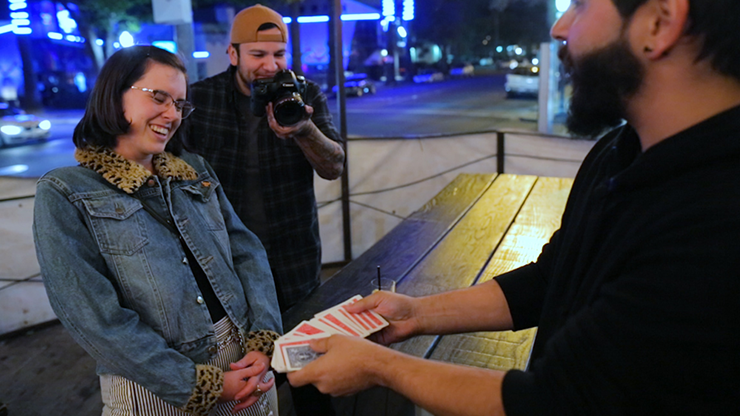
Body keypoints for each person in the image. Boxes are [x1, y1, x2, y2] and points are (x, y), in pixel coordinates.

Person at [287, 0, 740, 414]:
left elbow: (552, 402)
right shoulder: (617, 151)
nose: (561, 28)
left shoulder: (715, 220)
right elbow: (551, 279)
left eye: (580, 7)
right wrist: (416, 313)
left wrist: (381, 368)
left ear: (659, 23)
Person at [33, 45, 283, 416]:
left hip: (244, 363)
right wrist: (195, 384)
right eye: (160, 98)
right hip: (156, 385)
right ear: (115, 94)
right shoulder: (65, 192)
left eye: (180, 104)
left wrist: (263, 343)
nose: (172, 114)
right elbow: (92, 316)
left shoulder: (193, 169)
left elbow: (247, 253)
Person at [186, 4, 345, 313]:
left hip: (294, 255)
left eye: (279, 54)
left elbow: (334, 167)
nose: (271, 67)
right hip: (223, 256)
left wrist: (305, 130)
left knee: (301, 346)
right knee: (238, 353)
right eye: (258, 55)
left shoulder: (305, 94)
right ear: (233, 54)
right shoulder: (200, 99)